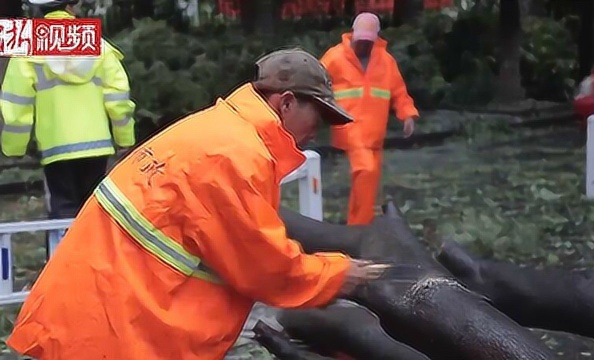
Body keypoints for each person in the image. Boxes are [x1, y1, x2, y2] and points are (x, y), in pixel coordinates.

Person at [7, 48, 386, 360]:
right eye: (317, 116)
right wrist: (339, 274)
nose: (316, 131)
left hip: (100, 318)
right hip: (117, 333)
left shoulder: (219, 130)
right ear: (286, 103)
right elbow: (265, 267)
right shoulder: (234, 155)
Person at [0, 0, 136, 256]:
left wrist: (13, 148)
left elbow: (15, 106)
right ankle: (97, 271)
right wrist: (124, 138)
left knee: (62, 218)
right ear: (72, 7)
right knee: (95, 213)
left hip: (56, 150)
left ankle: (66, 276)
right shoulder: (99, 46)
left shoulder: (29, 48)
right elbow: (119, 97)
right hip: (97, 147)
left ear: (36, 10)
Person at [320, 12, 419, 225]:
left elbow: (399, 92)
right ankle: (360, 229)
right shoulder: (334, 57)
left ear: (376, 39)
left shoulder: (386, 62)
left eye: (368, 41)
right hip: (349, 128)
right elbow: (314, 83)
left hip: (375, 133)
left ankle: (356, 225)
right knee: (365, 170)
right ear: (352, 35)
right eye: (360, 40)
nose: (363, 45)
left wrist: (408, 114)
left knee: (368, 182)